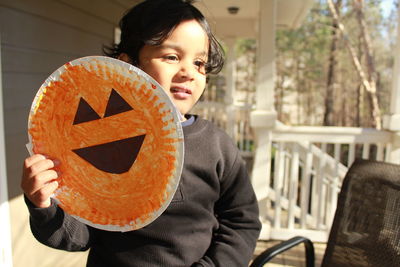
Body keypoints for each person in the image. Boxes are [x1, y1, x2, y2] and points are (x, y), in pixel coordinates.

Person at [21, 0, 261, 266]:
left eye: (200, 63)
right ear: (128, 65)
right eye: (171, 57)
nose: (188, 73)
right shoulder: (100, 141)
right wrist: (43, 205)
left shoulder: (216, 145)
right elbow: (78, 236)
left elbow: (242, 222)